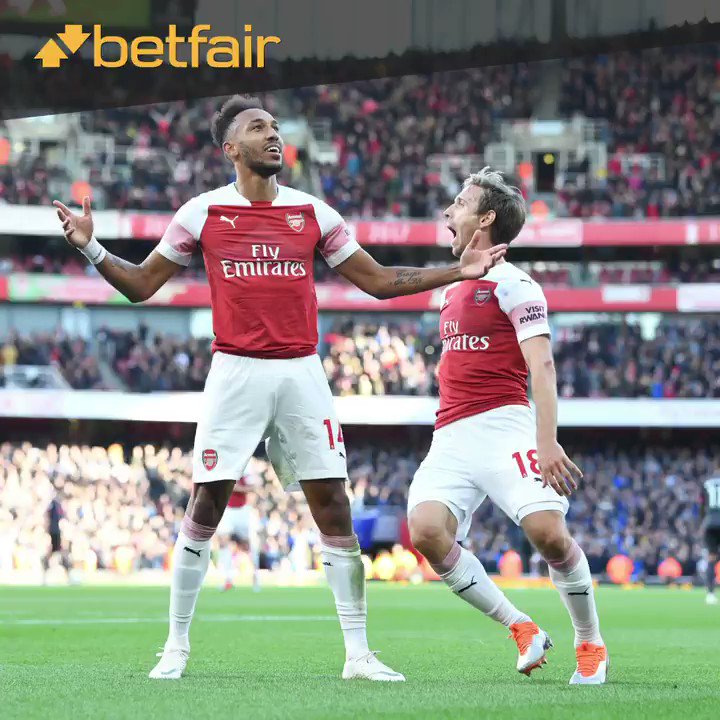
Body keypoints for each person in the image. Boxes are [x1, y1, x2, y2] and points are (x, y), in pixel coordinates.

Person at [52, 95, 506, 682]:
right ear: (230, 149)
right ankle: (175, 648)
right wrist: (89, 246)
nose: (273, 135)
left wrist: (458, 271)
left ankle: (359, 655)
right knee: (206, 504)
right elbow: (141, 286)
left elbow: (377, 281)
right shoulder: (201, 212)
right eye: (257, 128)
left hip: (301, 372)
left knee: (333, 505)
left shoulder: (312, 212)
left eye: (274, 126)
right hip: (234, 372)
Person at [407, 167, 608, 685]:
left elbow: (542, 365)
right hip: (450, 434)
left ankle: (590, 642)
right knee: (425, 531)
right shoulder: (451, 288)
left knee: (549, 535)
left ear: (486, 219)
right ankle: (521, 627)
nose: (448, 211)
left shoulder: (517, 284)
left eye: (459, 203)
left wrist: (547, 442)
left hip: (505, 425)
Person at [216, 475, 260, 592]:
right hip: (227, 510)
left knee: (247, 546)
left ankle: (255, 576)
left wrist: (236, 487)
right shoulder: (224, 470)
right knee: (223, 542)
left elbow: (254, 487)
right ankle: (227, 579)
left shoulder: (244, 470)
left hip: (242, 511)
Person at [701, 469, 720, 605]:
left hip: (710, 523)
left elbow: (702, 505)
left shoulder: (707, 482)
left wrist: (703, 521)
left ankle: (710, 594)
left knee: (711, 558)